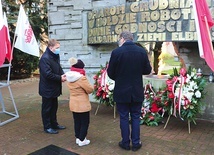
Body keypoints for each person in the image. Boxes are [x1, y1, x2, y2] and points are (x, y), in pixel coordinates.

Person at [107, 31, 152, 151]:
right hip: (136, 90)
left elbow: (110, 73)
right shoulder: (141, 51)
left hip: (121, 90)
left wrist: (120, 77)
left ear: (122, 38)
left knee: (124, 117)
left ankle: (125, 143)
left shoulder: (116, 52)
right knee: (136, 117)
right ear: (131, 39)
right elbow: (147, 70)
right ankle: (136, 143)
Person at [39, 39, 67, 134]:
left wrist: (63, 75)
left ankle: (54, 124)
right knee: (47, 108)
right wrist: (59, 78)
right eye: (57, 48)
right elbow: (47, 74)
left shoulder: (55, 55)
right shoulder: (45, 58)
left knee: (54, 107)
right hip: (47, 88)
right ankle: (47, 127)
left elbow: (58, 67)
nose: (58, 49)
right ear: (51, 48)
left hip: (54, 87)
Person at [65, 57, 93, 147]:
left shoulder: (69, 76)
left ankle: (78, 137)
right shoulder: (81, 78)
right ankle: (82, 139)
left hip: (73, 102)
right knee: (85, 122)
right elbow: (90, 90)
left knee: (77, 121)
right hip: (82, 104)